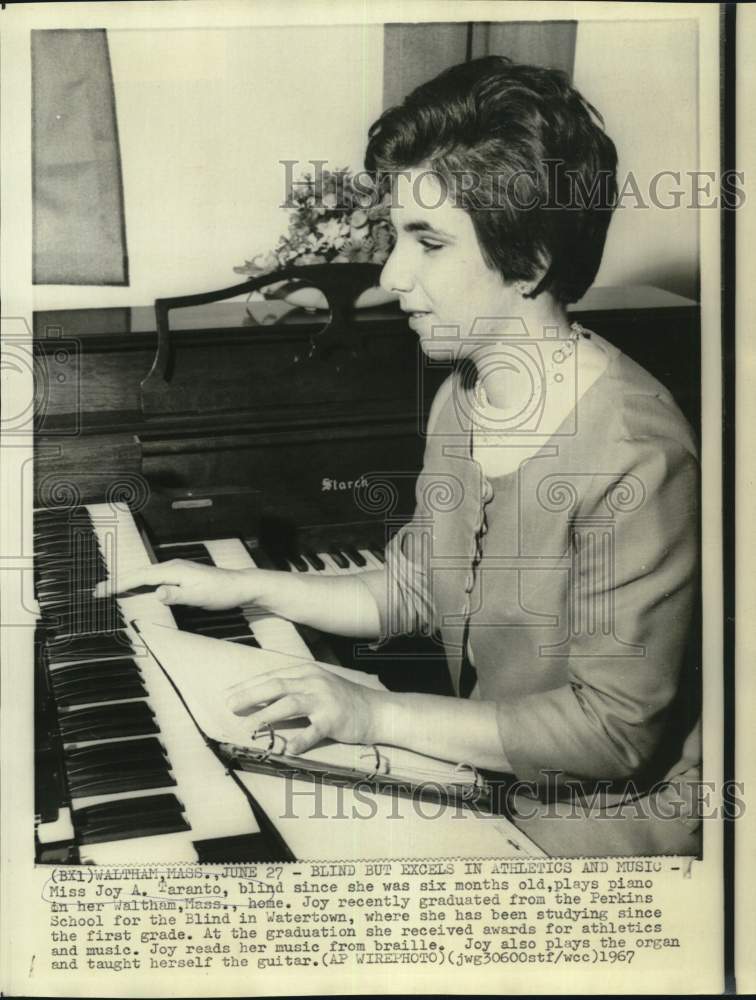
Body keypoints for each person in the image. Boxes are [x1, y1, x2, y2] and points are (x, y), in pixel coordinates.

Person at [98, 57, 701, 855]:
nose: (390, 274)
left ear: (531, 259)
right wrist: (235, 586)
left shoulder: (638, 454)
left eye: (428, 241)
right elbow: (418, 584)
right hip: (498, 775)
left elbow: (611, 736)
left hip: (614, 819)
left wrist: (376, 713)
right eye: (396, 235)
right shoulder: (467, 393)